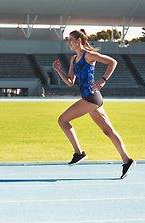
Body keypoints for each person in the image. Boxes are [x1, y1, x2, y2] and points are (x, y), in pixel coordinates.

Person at [52, 29, 136, 179]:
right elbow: (71, 82)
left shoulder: (89, 55)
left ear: (78, 41)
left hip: (91, 97)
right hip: (91, 98)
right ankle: (127, 161)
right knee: (108, 131)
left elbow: (112, 62)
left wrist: (103, 80)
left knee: (62, 120)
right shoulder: (73, 59)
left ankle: (79, 153)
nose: (68, 42)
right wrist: (59, 70)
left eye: (70, 39)